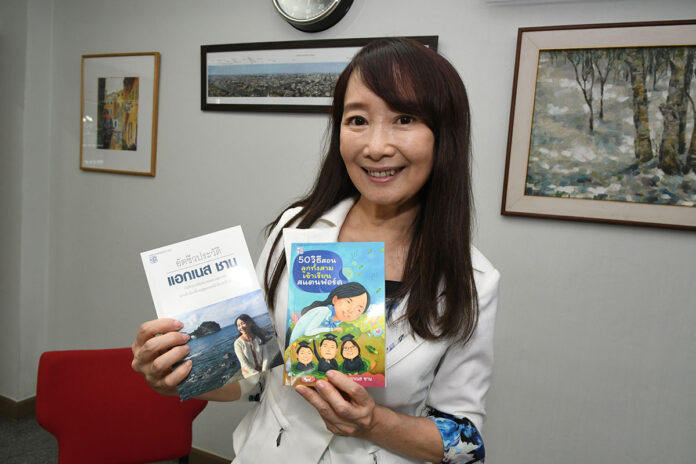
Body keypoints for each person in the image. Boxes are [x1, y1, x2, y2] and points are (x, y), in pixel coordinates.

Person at [131, 37, 499, 464]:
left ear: (444, 136)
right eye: (358, 119)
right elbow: (252, 374)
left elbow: (464, 439)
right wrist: (177, 377)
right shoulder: (296, 228)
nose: (376, 146)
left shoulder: (474, 281)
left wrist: (373, 422)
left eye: (404, 118)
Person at [288, 281, 370, 344]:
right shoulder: (324, 311)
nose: (350, 310)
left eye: (359, 310)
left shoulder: (338, 323)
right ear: (335, 299)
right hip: (294, 346)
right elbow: (309, 332)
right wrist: (332, 329)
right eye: (348, 302)